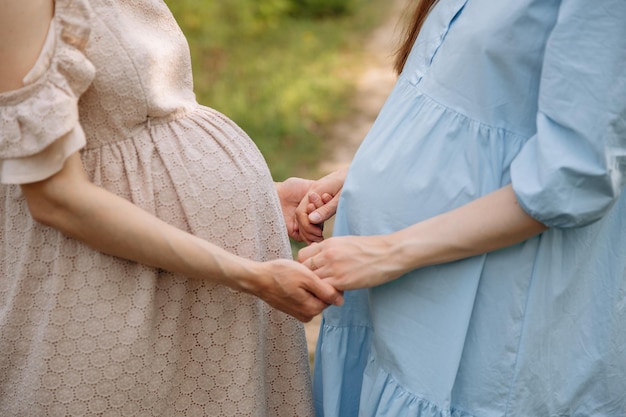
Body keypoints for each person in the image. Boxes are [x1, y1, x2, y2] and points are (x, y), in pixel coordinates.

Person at [0, 0, 343, 415]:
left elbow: (129, 145)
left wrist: (264, 194)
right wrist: (248, 274)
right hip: (112, 293)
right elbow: (55, 197)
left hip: (196, 287)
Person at [296, 0, 626, 416]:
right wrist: (370, 172)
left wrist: (390, 251)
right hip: (403, 295)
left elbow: (576, 174)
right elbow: (476, 103)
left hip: (487, 301)